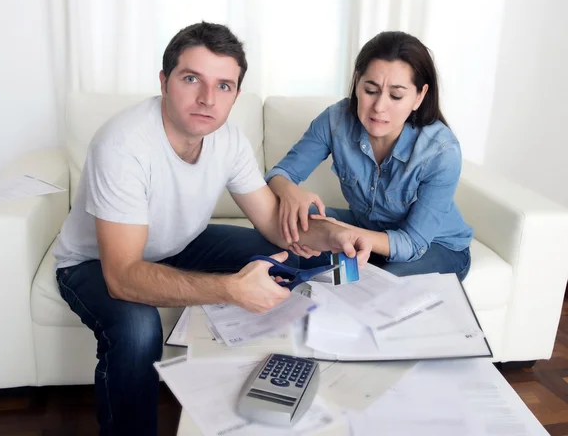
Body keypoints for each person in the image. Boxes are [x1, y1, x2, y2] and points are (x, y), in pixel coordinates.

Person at [52, 22, 370, 436]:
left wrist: (333, 235)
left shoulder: (229, 140)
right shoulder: (123, 145)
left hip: (179, 244)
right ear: (164, 82)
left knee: (293, 252)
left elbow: (275, 223)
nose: (207, 98)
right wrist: (229, 289)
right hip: (95, 262)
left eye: (224, 86)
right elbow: (124, 276)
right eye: (191, 79)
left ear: (236, 94)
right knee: (136, 328)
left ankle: (294, 383)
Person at [267, 31, 473, 281]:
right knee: (287, 216)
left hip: (436, 247)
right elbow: (279, 174)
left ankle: (322, 278)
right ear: (357, 82)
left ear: (419, 96)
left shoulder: (441, 151)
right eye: (371, 90)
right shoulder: (335, 120)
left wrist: (338, 231)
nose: (379, 106)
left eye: (396, 96)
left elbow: (412, 243)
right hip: (367, 230)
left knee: (378, 284)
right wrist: (289, 190)